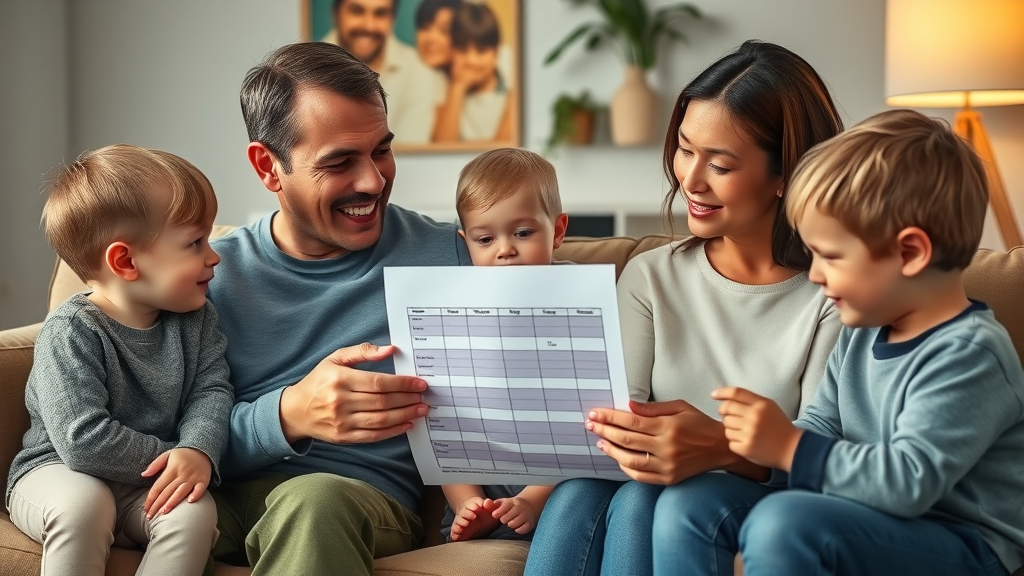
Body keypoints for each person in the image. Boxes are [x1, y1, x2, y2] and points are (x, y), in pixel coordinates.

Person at [524, 40, 845, 576]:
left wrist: (719, 447)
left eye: (719, 164)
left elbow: (825, 458)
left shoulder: (831, 294)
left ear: (785, 175)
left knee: (642, 500)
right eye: (684, 148)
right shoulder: (653, 275)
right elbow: (614, 412)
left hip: (742, 503)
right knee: (578, 492)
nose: (689, 180)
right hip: (642, 484)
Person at [711, 109, 1024, 576]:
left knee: (785, 524)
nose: (814, 274)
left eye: (830, 256)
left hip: (965, 545)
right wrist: (758, 448)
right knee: (695, 500)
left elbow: (908, 482)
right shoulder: (860, 333)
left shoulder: (970, 353)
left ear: (911, 253)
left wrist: (788, 447)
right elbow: (823, 424)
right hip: (869, 517)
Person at [206, 42, 471, 576]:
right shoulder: (207, 277)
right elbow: (155, 439)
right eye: (340, 162)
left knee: (313, 501)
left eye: (381, 150)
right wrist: (290, 414)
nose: (374, 182)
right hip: (221, 502)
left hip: (355, 502)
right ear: (268, 167)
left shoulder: (454, 257)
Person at [5, 144, 232, 576]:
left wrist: (197, 450)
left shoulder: (197, 319)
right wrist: (171, 456)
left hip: (142, 485)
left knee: (194, 513)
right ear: (126, 261)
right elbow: (82, 440)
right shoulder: (71, 331)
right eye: (195, 243)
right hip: (57, 470)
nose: (213, 256)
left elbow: (212, 390)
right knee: (84, 505)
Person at [438, 148, 569, 542]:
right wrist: (467, 500)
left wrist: (533, 498)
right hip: (480, 472)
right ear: (466, 243)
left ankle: (535, 501)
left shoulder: (579, 296)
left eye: (523, 233)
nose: (504, 250)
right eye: (485, 238)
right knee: (442, 416)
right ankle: (468, 507)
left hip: (559, 488)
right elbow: (442, 426)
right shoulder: (452, 308)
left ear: (558, 231)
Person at [323, 0, 445, 144]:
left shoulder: (418, 72)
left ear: (392, 20)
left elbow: (409, 151)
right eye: (357, 11)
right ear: (335, 14)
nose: (369, 26)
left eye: (380, 14)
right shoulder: (304, 73)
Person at [431, 1, 514, 143]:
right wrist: (458, 87)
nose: (471, 60)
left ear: (496, 53)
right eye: (462, 50)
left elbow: (506, 148)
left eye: (481, 51)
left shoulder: (510, 82)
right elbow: (442, 145)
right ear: (451, 50)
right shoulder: (442, 85)